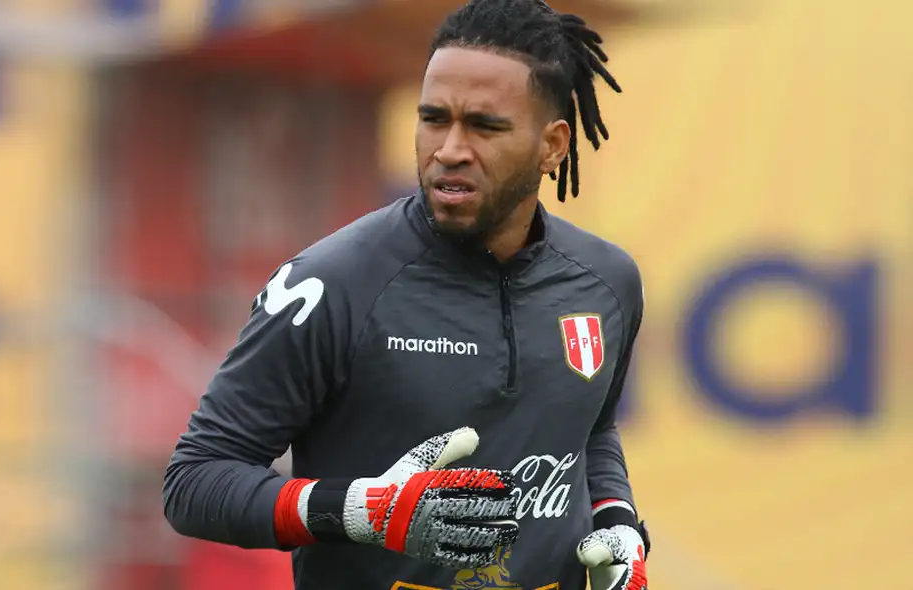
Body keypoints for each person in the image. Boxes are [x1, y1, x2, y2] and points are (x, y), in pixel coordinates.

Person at [163, 1, 651, 588]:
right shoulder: (331, 283)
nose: (449, 149)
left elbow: (589, 430)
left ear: (553, 146)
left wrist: (618, 525)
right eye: (434, 118)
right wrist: (357, 510)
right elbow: (195, 480)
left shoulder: (607, 282)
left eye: (484, 126)